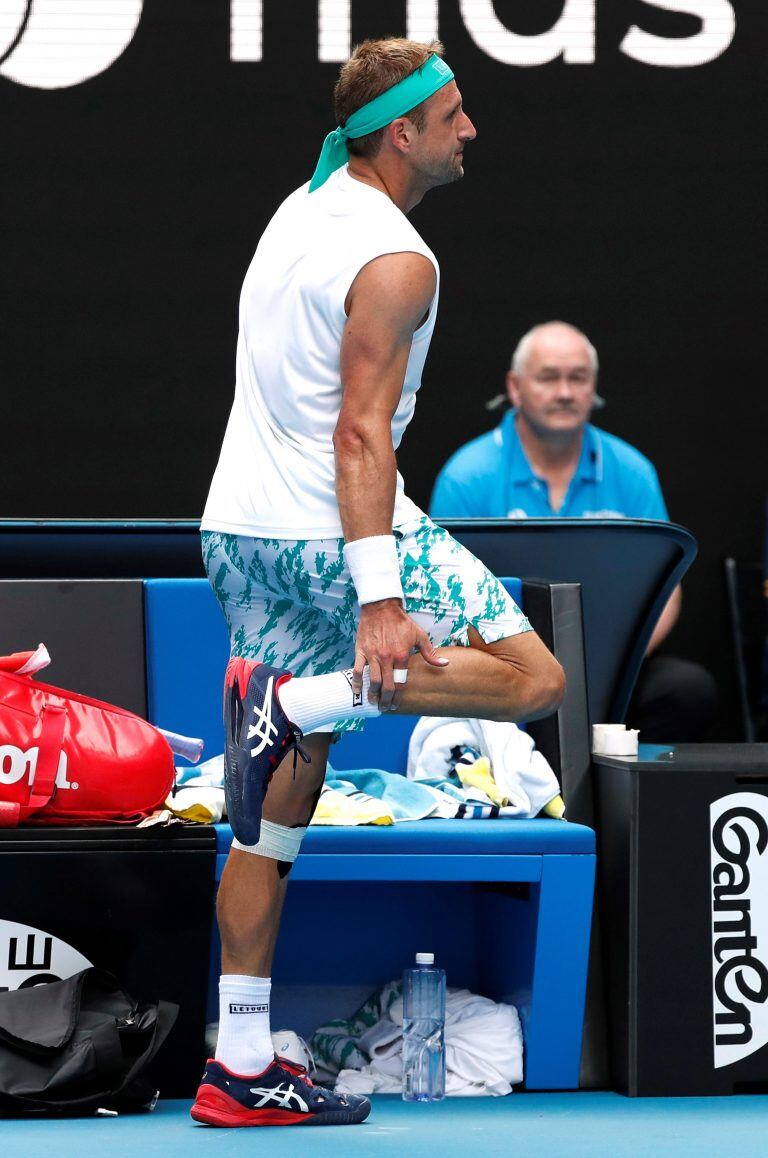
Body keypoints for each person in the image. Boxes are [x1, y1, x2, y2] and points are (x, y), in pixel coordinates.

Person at [193, 40, 564, 1129]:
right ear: (402, 132)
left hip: (236, 533)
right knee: (532, 679)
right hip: (331, 531)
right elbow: (360, 433)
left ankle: (243, 1063)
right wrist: (378, 601)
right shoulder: (399, 259)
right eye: (455, 114)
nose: (471, 129)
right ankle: (299, 700)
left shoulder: (298, 209)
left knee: (273, 820)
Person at [430, 320, 717, 741]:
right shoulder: (467, 476)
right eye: (548, 377)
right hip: (501, 668)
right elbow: (441, 594)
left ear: (593, 386)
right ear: (515, 386)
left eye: (577, 378)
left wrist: (616, 661)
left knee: (687, 690)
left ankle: (632, 805)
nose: (564, 392)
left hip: (613, 667)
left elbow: (666, 587)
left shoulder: (633, 471)